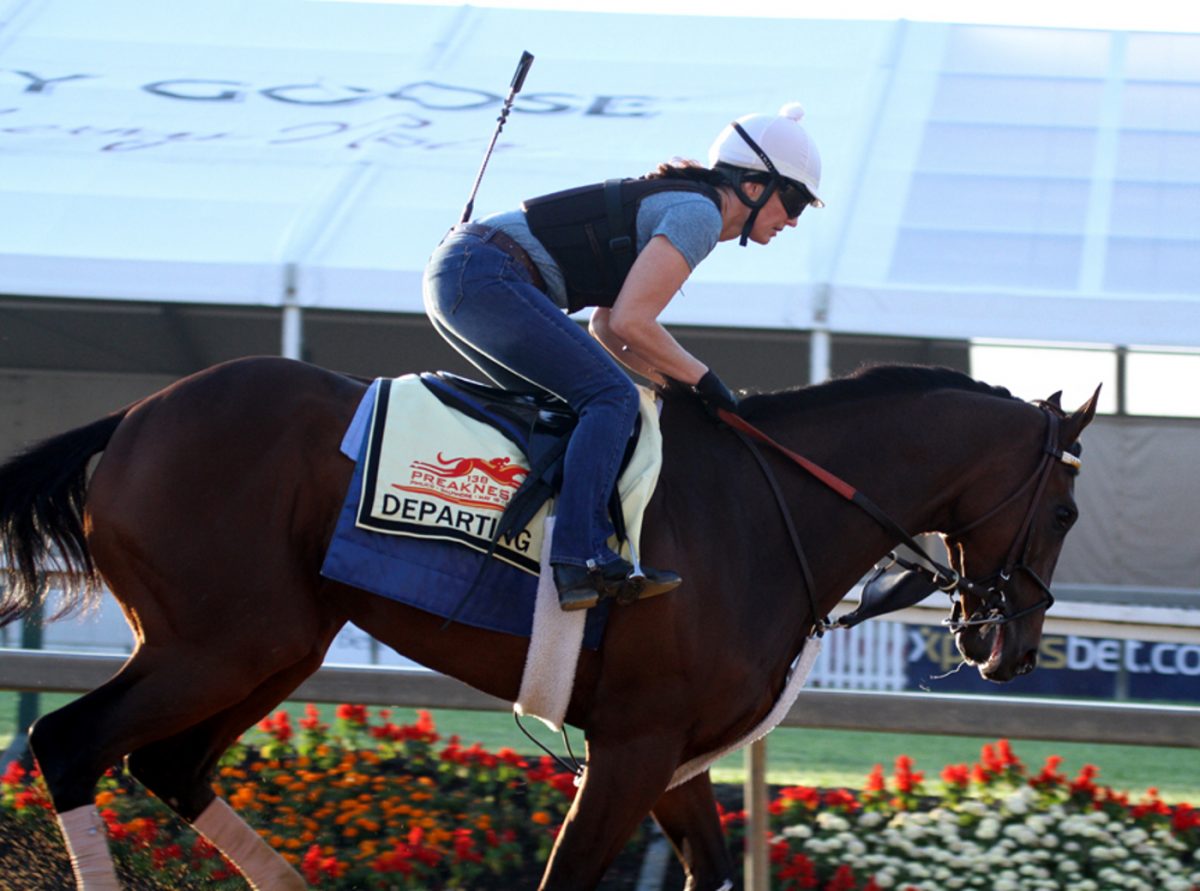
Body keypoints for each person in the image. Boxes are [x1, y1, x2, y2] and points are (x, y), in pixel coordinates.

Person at [422, 102, 823, 611]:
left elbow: (608, 327)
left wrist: (672, 389)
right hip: (484, 274)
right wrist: (706, 382)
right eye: (792, 200)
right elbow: (634, 323)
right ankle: (578, 558)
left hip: (469, 273)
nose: (791, 219)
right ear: (751, 185)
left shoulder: (687, 204)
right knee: (611, 399)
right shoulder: (698, 214)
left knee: (603, 401)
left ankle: (542, 542)